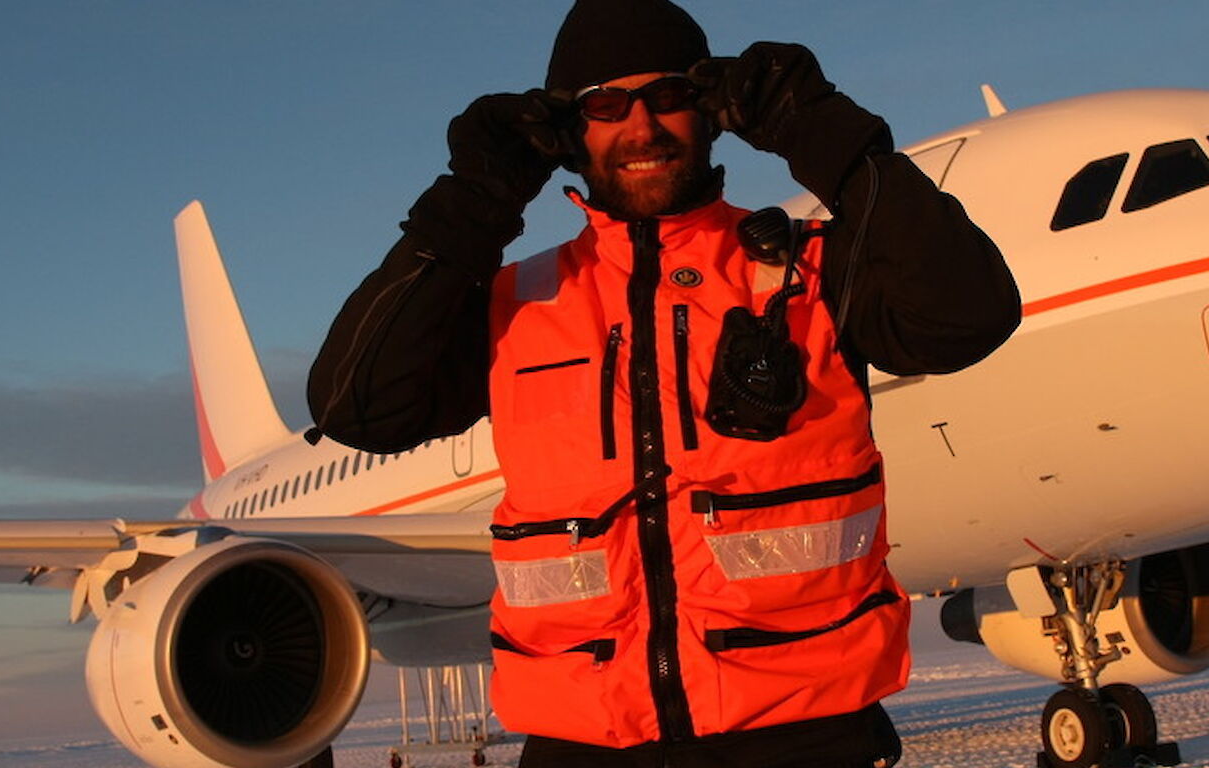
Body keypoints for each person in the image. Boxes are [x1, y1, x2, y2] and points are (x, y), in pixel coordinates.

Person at [307, 1, 1020, 765]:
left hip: (806, 734)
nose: (641, 127)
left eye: (670, 97)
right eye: (605, 105)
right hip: (584, 742)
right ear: (570, 136)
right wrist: (475, 202)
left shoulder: (813, 272)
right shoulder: (515, 307)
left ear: (713, 112)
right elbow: (357, 406)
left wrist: (825, 135)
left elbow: (969, 315)